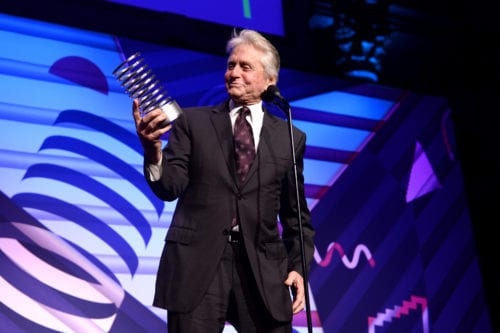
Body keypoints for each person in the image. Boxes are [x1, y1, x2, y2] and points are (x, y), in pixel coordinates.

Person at [132, 28, 315, 332]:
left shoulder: (289, 138)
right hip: (197, 264)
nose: (234, 73)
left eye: (246, 66)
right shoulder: (193, 122)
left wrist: (298, 266)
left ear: (270, 80)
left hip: (262, 270)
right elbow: (170, 186)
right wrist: (153, 152)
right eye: (231, 65)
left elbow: (296, 216)